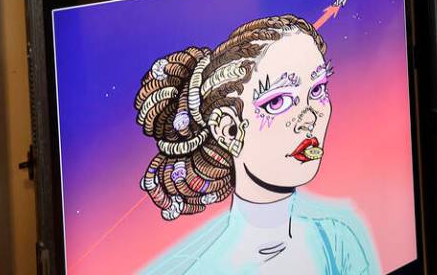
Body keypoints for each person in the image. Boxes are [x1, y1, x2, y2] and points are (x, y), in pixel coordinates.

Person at [135, 15, 379, 274]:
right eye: (277, 102)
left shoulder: (336, 242)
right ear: (228, 130)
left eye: (317, 90)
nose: (309, 119)